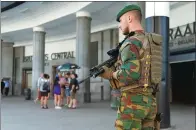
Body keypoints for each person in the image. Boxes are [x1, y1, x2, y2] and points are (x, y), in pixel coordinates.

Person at [99, 5, 162, 130]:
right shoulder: (150, 41)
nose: (119, 25)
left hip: (133, 103)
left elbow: (130, 74)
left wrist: (110, 74)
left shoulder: (131, 42)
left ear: (129, 18)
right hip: (150, 101)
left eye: (121, 21)